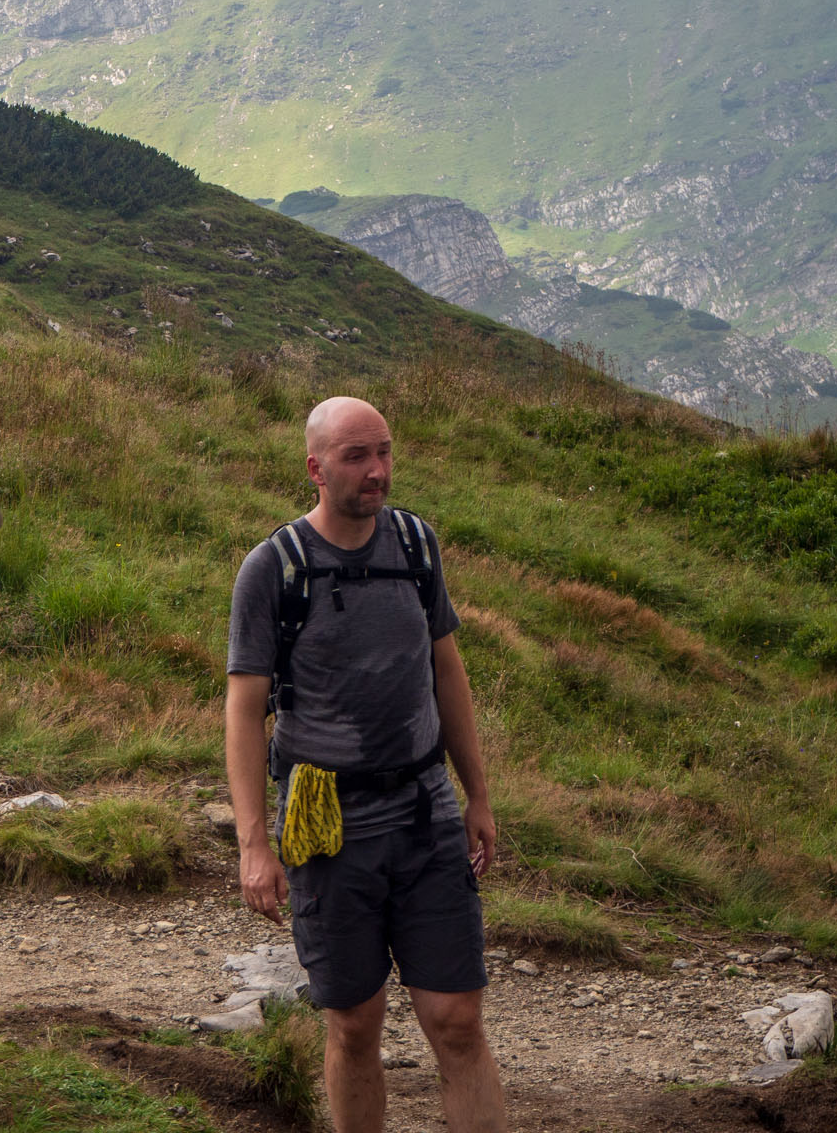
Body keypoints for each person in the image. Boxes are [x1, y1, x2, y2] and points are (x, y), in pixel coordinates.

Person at [223, 396, 505, 1133]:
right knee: (354, 1022)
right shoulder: (275, 568)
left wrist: (476, 795)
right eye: (356, 456)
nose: (377, 471)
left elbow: (448, 671)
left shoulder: (415, 545)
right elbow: (244, 712)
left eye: (383, 452)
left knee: (457, 1020)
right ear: (315, 468)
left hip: (425, 810)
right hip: (327, 822)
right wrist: (255, 843)